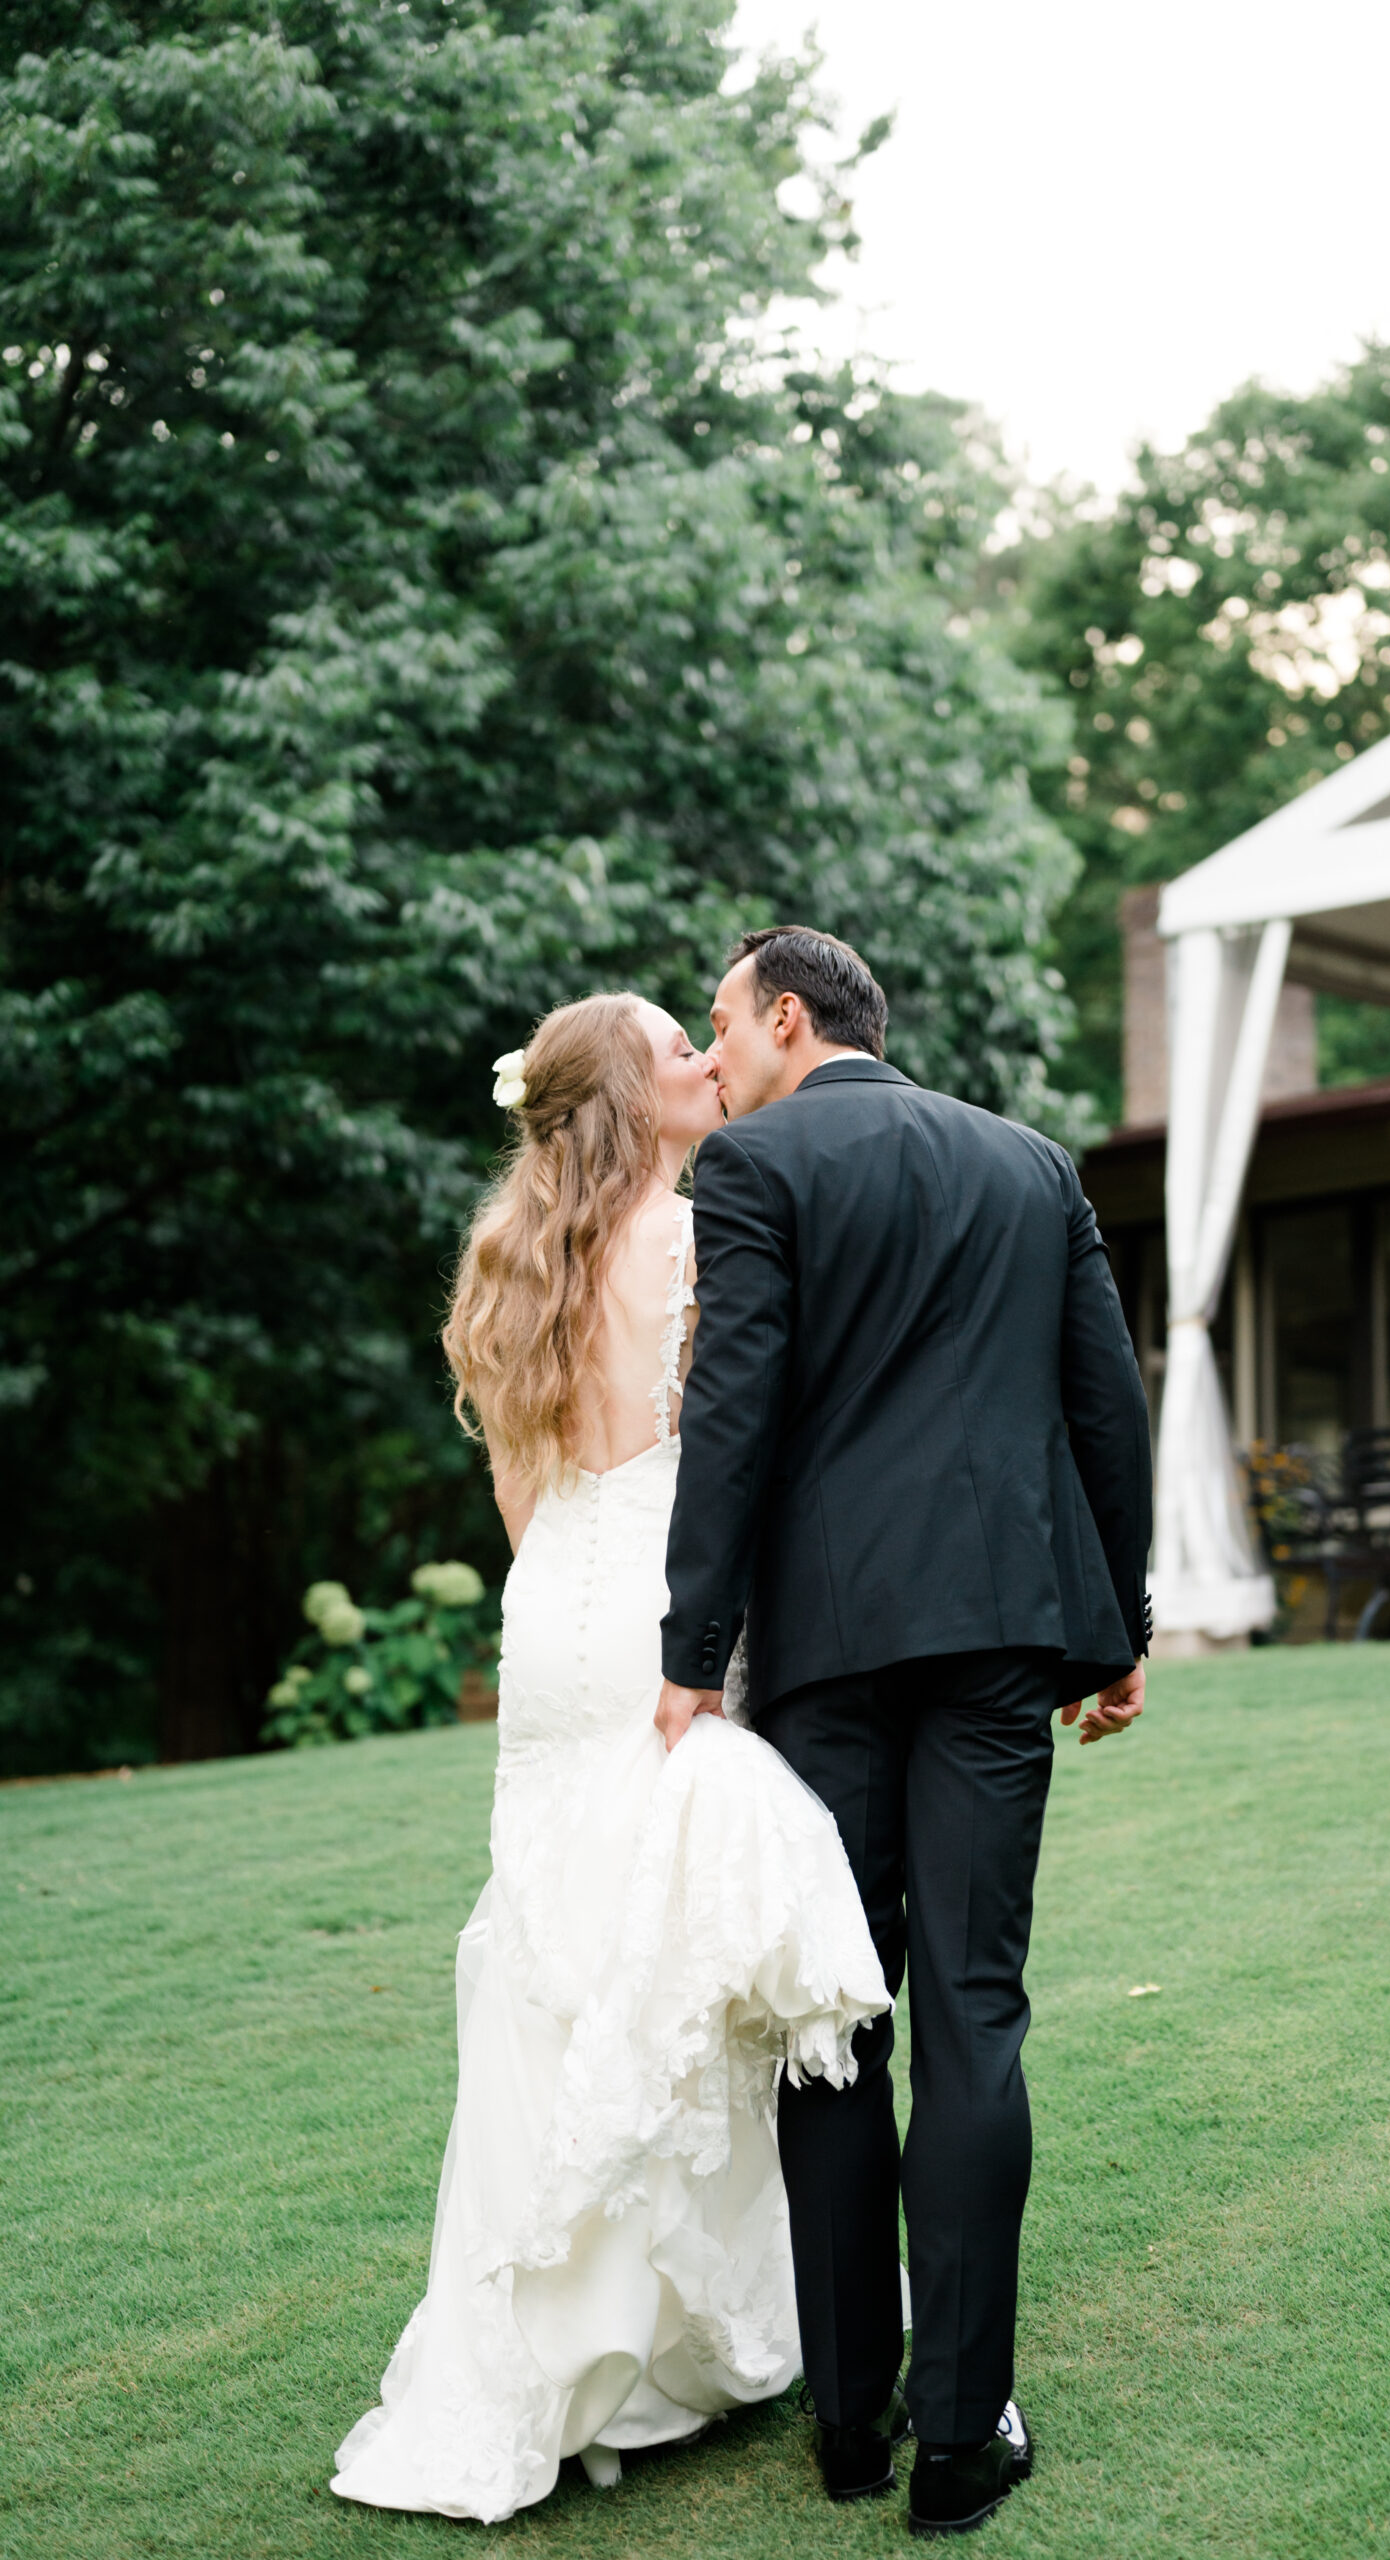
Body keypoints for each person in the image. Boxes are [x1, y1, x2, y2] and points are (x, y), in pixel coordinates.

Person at [330, 992, 888, 2525]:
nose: (710, 1061)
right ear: (638, 1099)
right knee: (680, 1950)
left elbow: (525, 1492)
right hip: (665, 1604)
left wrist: (572, 1590)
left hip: (555, 1613)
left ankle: (562, 2353)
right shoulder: (707, 1237)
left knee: (557, 1948)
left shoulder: (516, 1253)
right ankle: (662, 2350)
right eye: (678, 1047)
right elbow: (749, 1455)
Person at [657, 926, 1152, 2540]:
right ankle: (960, 2442)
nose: (711, 1063)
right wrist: (1120, 1624)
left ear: (788, 1018)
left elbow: (732, 1416)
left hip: (830, 1656)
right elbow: (1107, 1402)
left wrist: (691, 1653)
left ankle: (852, 2423)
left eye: (720, 1027)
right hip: (1005, 1635)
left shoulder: (753, 1172)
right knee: (975, 2013)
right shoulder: (1029, 1166)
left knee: (834, 2017)